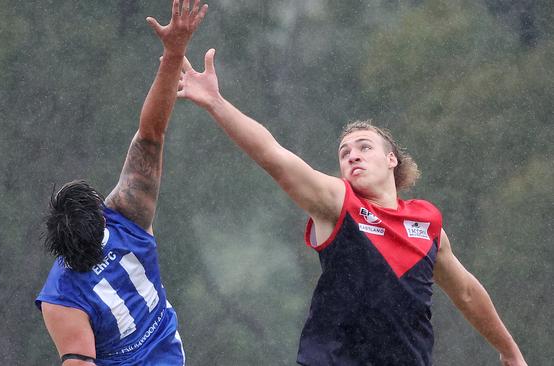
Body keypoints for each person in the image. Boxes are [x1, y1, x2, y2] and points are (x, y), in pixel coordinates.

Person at [175, 50, 528, 365]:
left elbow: (465, 291)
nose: (352, 154)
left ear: (392, 160)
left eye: (364, 147)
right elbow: (274, 156)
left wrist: (509, 350)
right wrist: (215, 103)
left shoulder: (427, 222)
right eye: (344, 153)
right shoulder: (338, 203)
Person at [35, 1, 207, 365]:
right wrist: (173, 54)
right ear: (101, 212)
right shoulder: (125, 215)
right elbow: (151, 133)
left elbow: (79, 360)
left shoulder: (60, 296)